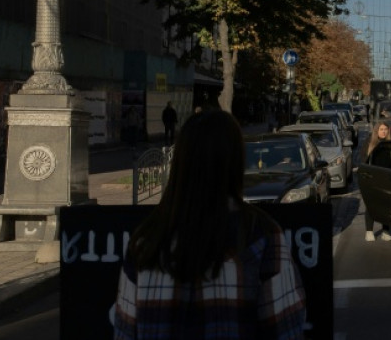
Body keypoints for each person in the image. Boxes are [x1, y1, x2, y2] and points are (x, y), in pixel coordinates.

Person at [111, 110, 306, 339]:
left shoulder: (146, 240)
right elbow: (286, 328)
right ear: (235, 162)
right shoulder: (261, 235)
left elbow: (124, 331)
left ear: (180, 162)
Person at [363, 120, 391, 242]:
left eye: (385, 129)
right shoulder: (369, 143)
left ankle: (385, 231)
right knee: (371, 205)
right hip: (372, 179)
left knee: (386, 206)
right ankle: (369, 231)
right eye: (381, 129)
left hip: (387, 179)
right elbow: (363, 160)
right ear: (377, 131)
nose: (384, 131)